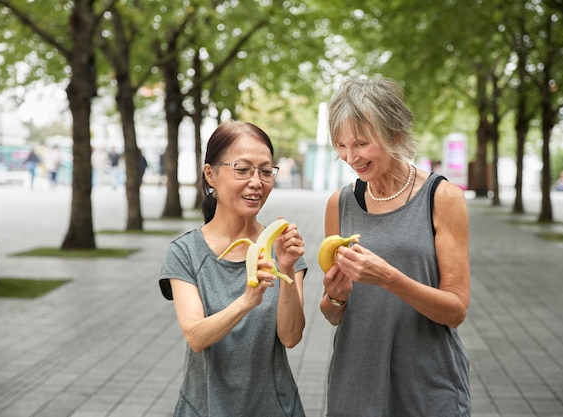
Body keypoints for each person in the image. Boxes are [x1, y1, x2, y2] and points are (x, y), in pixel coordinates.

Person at [320, 76, 471, 416]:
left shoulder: (442, 197)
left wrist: (389, 278)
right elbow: (331, 314)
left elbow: (455, 310)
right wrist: (335, 296)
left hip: (427, 385)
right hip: (355, 384)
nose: (349, 156)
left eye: (360, 143)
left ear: (396, 135)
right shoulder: (339, 204)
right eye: (341, 145)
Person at [159, 121, 307, 417]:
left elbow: (291, 337)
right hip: (205, 408)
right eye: (242, 169)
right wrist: (247, 301)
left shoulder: (284, 247)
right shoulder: (185, 252)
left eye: (266, 171)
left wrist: (287, 270)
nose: (256, 182)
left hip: (275, 408)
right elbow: (196, 336)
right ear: (210, 174)